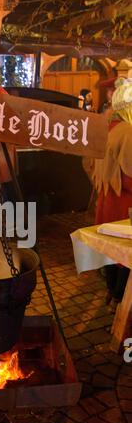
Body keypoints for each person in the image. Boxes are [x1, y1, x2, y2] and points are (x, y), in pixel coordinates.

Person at [92, 77, 132, 303]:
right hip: (123, 205)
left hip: (108, 199)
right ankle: (119, 300)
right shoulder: (128, 132)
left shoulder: (107, 127)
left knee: (112, 254)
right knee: (125, 257)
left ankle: (112, 295)